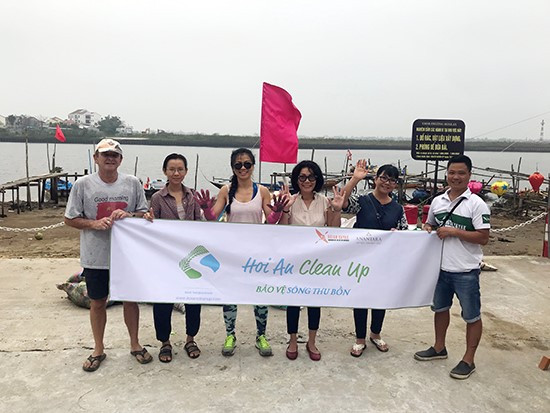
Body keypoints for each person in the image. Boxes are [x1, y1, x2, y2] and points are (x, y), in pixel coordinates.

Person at [64, 138, 152, 372]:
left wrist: (130, 214)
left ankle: (135, 344)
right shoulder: (82, 185)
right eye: (105, 154)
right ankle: (98, 348)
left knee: (130, 300)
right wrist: (93, 224)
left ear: (121, 159)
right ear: (96, 158)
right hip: (96, 255)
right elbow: (70, 218)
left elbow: (144, 213)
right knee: (97, 302)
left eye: (115, 155)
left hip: (127, 255)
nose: (110, 158)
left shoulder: (132, 183)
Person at [194, 148, 287, 357]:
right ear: (233, 168)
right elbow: (212, 217)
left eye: (247, 164)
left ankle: (261, 336)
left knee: (260, 296)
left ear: (253, 166)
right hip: (232, 254)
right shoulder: (226, 190)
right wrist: (205, 207)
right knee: (229, 295)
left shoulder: (262, 191)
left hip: (257, 253)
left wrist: (279, 211)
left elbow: (270, 219)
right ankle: (230, 334)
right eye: (238, 165)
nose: (243, 168)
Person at [414, 154, 490, 380]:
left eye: (461, 173)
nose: (455, 177)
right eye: (452, 173)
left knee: (472, 315)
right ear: (446, 174)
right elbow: (430, 223)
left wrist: (454, 232)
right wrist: (428, 227)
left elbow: (483, 237)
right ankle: (439, 347)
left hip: (466, 270)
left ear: (469, 175)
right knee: (440, 308)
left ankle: (469, 359)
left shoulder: (477, 204)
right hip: (440, 269)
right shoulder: (438, 201)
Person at [341, 160, 408, 358]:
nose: (387, 182)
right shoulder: (363, 201)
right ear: (376, 180)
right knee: (360, 298)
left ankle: (375, 333)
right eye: (383, 177)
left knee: (381, 298)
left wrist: (398, 234)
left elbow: (404, 234)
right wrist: (354, 179)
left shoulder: (398, 209)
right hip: (361, 260)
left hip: (385, 261)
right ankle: (360, 338)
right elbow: (342, 201)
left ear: (396, 184)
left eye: (392, 180)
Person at [279, 160, 345, 361]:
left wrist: (337, 209)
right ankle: (292, 340)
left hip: (318, 262)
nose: (307, 181)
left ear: (317, 180)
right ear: (296, 180)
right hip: (295, 261)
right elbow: (281, 230)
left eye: (311, 177)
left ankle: (312, 341)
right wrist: (285, 209)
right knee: (293, 301)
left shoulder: (325, 202)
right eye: (302, 177)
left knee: (314, 302)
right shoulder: (290, 200)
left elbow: (333, 230)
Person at [143, 153, 203, 363]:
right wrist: (148, 219)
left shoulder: (193, 196)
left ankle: (190, 338)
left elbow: (200, 223)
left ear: (186, 171)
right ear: (165, 171)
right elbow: (153, 225)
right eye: (172, 169)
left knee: (194, 298)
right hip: (166, 259)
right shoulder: (158, 198)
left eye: (180, 169)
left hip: (190, 256)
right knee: (163, 301)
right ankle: (165, 342)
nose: (176, 173)